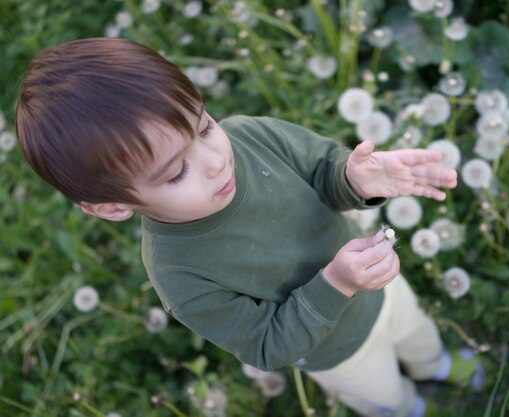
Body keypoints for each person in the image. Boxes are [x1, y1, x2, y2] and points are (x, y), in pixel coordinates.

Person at [15, 38, 481, 417]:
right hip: (339, 354)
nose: (217, 160)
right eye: (176, 173)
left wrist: (354, 178)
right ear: (113, 208)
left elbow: (324, 172)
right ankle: (413, 406)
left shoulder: (249, 136)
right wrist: (336, 284)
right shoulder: (181, 276)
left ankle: (435, 364)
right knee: (385, 397)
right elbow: (266, 346)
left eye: (203, 128)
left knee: (416, 329)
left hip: (383, 287)